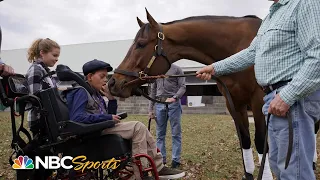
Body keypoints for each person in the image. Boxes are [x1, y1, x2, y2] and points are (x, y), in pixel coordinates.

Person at [196, 0, 320, 179]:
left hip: (292, 100)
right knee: (281, 167)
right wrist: (215, 68)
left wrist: (287, 96)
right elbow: (252, 52)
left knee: (294, 172)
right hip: (275, 99)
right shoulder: (272, 14)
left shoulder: (304, 3)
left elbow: (317, 56)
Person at [65, 59, 186, 180]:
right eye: (102, 76)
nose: (106, 80)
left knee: (140, 128)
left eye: (106, 77)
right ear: (90, 76)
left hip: (100, 129)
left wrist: (111, 100)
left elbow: (109, 116)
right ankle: (142, 173)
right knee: (137, 127)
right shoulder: (81, 92)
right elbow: (77, 117)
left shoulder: (95, 94)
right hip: (92, 133)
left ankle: (155, 167)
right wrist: (107, 117)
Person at [148, 64, 186, 168]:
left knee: (176, 133)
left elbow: (182, 87)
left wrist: (174, 97)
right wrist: (150, 109)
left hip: (173, 104)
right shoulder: (157, 70)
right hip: (159, 104)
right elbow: (153, 91)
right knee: (160, 134)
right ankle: (162, 159)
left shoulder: (177, 69)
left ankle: (176, 160)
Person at [25, 38, 60, 135]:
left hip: (47, 118)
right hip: (39, 119)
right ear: (42, 53)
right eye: (54, 55)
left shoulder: (46, 71)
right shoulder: (36, 69)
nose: (57, 59)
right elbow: (34, 96)